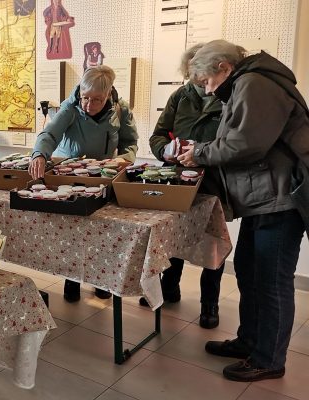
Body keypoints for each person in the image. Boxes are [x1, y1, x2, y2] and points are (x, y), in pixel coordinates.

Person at [178, 39, 307, 382]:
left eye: (207, 81)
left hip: (278, 199)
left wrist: (201, 153)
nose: (207, 90)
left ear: (223, 67)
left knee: (271, 281)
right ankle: (250, 341)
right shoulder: (249, 81)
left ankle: (269, 358)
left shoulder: (255, 83)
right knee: (251, 273)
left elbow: (247, 143)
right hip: (263, 198)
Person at [28, 65, 138, 302]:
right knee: (74, 232)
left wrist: (125, 159)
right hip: (72, 175)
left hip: (104, 177)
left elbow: (130, 142)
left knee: (105, 232)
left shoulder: (121, 109)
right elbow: (49, 135)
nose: (89, 105)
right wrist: (39, 154)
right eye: (85, 98)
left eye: (97, 100)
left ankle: (102, 280)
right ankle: (72, 279)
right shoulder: (70, 107)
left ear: (108, 94)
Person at [146, 44, 228, 329]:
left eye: (201, 77)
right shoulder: (180, 96)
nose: (200, 84)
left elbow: (233, 142)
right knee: (173, 236)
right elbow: (156, 136)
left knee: (213, 243)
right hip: (179, 178)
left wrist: (202, 151)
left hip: (216, 180)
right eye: (193, 78)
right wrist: (166, 149)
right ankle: (170, 289)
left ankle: (210, 304)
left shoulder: (229, 95)